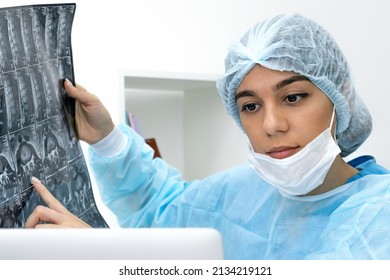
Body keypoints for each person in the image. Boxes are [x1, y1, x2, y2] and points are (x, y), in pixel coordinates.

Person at [26, 14, 390, 259]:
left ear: (341, 95)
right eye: (250, 106)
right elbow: (162, 213)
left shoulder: (378, 219)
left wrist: (101, 259)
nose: (271, 124)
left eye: (293, 97)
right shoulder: (244, 193)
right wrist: (107, 139)